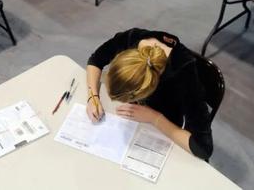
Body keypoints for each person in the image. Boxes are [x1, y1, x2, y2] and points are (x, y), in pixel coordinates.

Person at [84, 28, 214, 160]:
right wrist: (92, 96)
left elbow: (202, 147)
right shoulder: (132, 39)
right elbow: (96, 60)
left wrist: (154, 118)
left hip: (164, 129)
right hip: (137, 123)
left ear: (144, 92)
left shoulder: (184, 73)